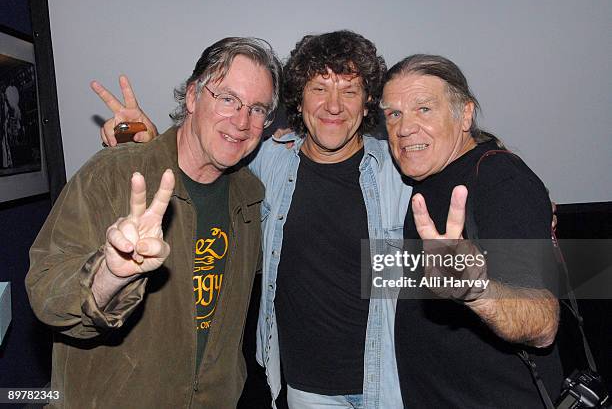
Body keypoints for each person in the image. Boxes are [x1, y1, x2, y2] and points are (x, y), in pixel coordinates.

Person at [96, 30, 411, 409]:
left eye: (349, 90)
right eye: (319, 88)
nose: (333, 105)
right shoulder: (268, 160)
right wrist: (151, 143)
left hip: (393, 380)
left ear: (367, 103)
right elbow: (204, 155)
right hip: (307, 388)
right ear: (299, 99)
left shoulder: (398, 170)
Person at [26, 37, 282, 409]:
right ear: (193, 97)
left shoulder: (250, 198)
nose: (242, 121)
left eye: (257, 109)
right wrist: (110, 276)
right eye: (227, 98)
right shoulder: (112, 176)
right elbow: (45, 291)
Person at [380, 54, 563, 407]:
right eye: (394, 114)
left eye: (424, 109)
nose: (404, 128)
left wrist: (476, 291)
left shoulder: (500, 180)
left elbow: (543, 321)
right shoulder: (426, 177)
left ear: (464, 114)